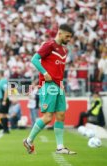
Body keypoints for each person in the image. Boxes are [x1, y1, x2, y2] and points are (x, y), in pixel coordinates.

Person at [23, 24, 77, 155]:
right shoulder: (49, 45)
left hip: (59, 85)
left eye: (70, 37)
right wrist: (44, 73)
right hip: (49, 85)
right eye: (67, 36)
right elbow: (34, 59)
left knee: (61, 115)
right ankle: (29, 140)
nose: (69, 39)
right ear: (60, 33)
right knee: (47, 117)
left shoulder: (64, 51)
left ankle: (60, 147)